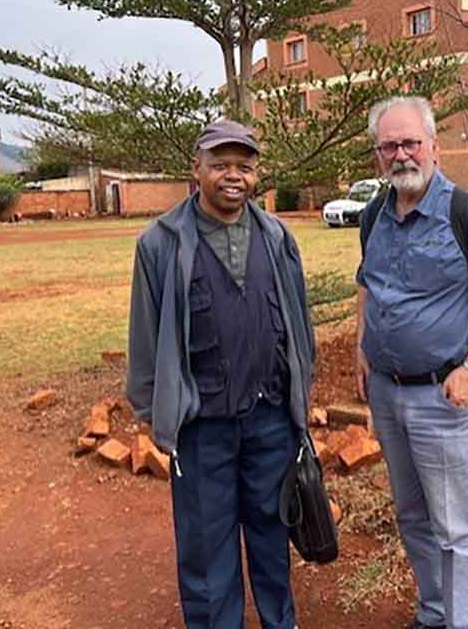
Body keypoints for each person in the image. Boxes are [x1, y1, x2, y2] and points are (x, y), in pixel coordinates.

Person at [126, 118, 314, 629]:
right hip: (201, 427)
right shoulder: (161, 244)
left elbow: (298, 324)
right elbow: (145, 336)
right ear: (198, 169)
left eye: (244, 167)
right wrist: (152, 412)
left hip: (271, 421)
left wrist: (301, 395)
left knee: (273, 541)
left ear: (256, 175)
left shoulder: (277, 238)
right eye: (221, 165)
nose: (234, 176)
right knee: (208, 553)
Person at [355, 96, 468, 629]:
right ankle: (432, 615)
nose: (401, 154)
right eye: (389, 146)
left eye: (410, 143)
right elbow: (368, 284)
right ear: (378, 154)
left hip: (442, 398)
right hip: (387, 392)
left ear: (432, 145)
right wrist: (362, 349)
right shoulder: (374, 215)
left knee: (457, 527)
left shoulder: (466, 214)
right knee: (413, 518)